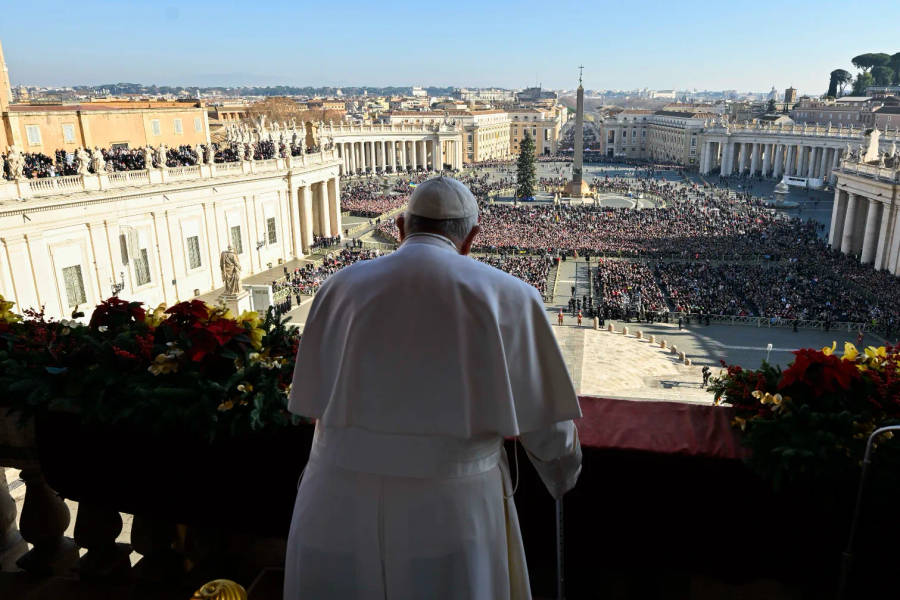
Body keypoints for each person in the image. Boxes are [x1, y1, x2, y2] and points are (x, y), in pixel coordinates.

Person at [285, 176, 582, 599]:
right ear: (472, 238)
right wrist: (562, 475)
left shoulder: (338, 287)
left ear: (401, 226)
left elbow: (309, 399)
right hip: (452, 511)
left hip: (333, 500)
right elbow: (550, 431)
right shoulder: (511, 295)